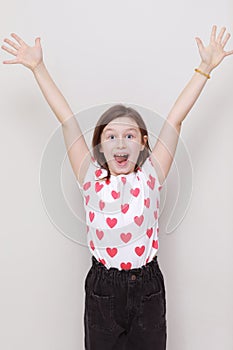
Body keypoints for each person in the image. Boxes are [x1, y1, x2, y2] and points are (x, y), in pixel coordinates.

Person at [1, 25, 232, 350]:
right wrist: (38, 68)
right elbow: (67, 120)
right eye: (111, 136)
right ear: (99, 146)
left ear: (143, 144)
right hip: (103, 289)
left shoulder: (153, 173)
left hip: (147, 286)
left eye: (129, 135)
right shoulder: (89, 175)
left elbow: (175, 119)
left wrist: (204, 68)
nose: (120, 142)